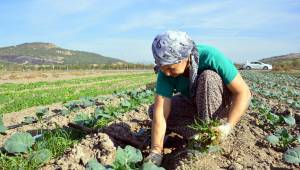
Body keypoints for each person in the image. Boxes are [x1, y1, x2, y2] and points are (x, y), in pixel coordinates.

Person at [143, 30, 251, 166]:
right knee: (154, 111)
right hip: (193, 102)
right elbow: (161, 112)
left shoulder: (210, 56)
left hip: (221, 103)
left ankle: (210, 134)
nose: (167, 73)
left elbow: (243, 93)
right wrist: (156, 151)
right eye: (162, 68)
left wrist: (229, 126)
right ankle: (197, 134)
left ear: (185, 57)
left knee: (208, 77)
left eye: (170, 68)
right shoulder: (165, 72)